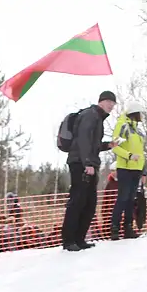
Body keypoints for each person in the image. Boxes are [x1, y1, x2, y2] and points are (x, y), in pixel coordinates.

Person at [61, 90, 117, 251]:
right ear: (102, 101)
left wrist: (108, 145)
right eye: (109, 102)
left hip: (89, 163)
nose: (112, 106)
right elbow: (83, 140)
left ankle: (79, 239)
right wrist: (87, 163)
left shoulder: (98, 119)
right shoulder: (90, 115)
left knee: (89, 203)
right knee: (77, 201)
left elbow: (93, 145)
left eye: (113, 104)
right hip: (80, 163)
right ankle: (69, 240)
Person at [110, 101, 147, 240]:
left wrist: (144, 171)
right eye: (140, 113)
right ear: (135, 114)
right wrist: (130, 156)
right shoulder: (124, 127)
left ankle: (128, 228)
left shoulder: (137, 130)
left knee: (131, 199)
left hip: (136, 169)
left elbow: (141, 152)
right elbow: (115, 147)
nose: (142, 116)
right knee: (123, 199)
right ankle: (114, 228)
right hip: (125, 168)